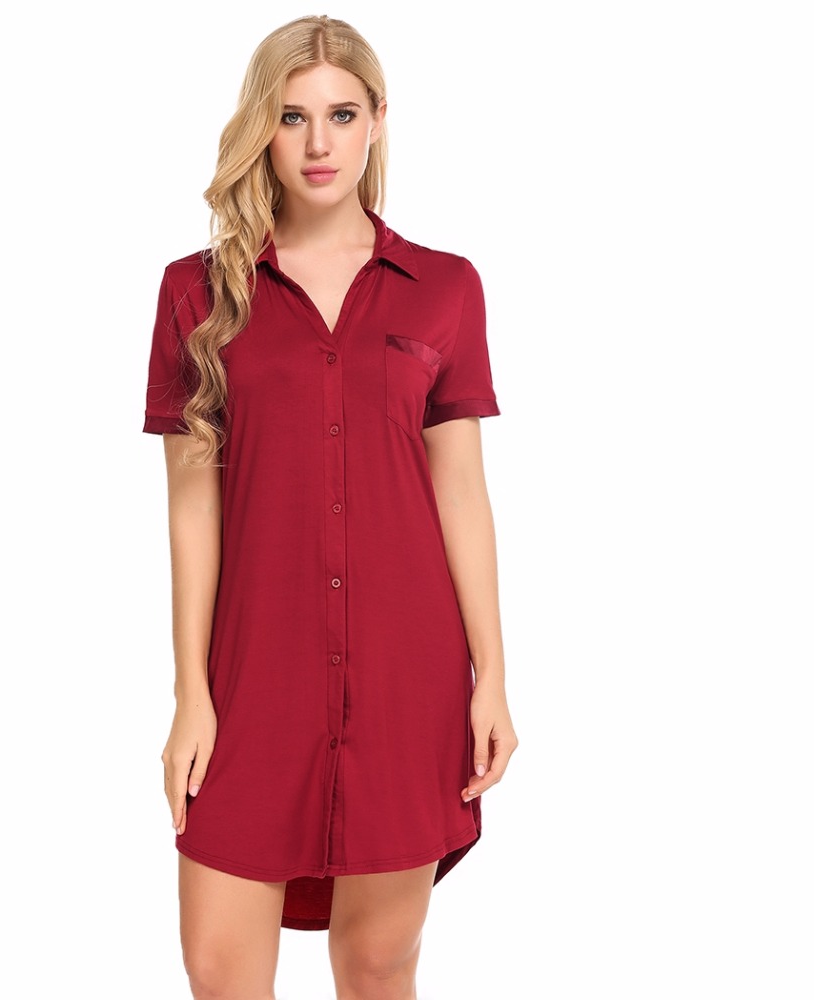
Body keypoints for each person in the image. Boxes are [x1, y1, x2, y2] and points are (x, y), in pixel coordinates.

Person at [142, 13, 518, 999]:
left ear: (378, 120)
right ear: (260, 128)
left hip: (406, 674)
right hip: (253, 674)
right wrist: (191, 691)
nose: (318, 142)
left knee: (376, 964)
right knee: (219, 970)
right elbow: (191, 504)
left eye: (341, 115)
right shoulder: (196, 294)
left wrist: (491, 676)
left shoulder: (443, 288)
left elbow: (460, 490)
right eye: (292, 116)